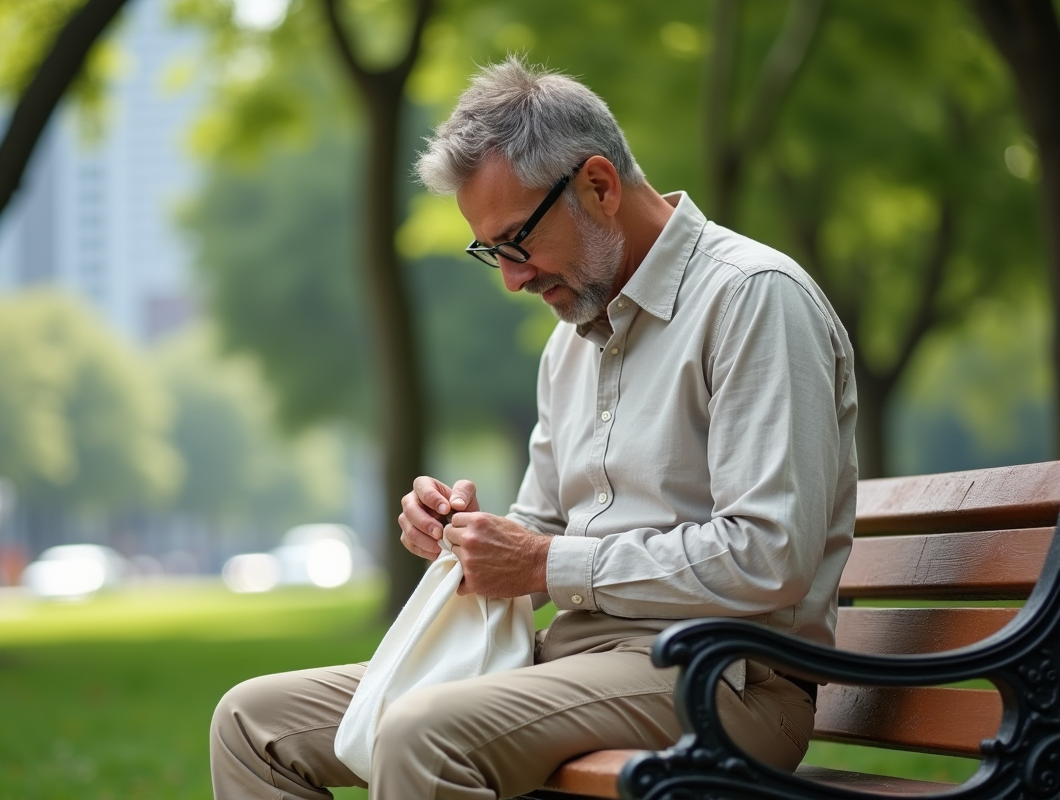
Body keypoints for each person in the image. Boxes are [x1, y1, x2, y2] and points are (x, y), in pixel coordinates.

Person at [210, 55, 857, 800]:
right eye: (492, 252)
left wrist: (546, 563)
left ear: (599, 185)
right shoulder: (570, 342)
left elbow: (768, 556)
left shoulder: (753, 300)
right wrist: (467, 538)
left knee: (422, 731)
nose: (512, 278)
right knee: (250, 722)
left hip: (728, 679)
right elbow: (542, 528)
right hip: (568, 659)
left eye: (517, 241)